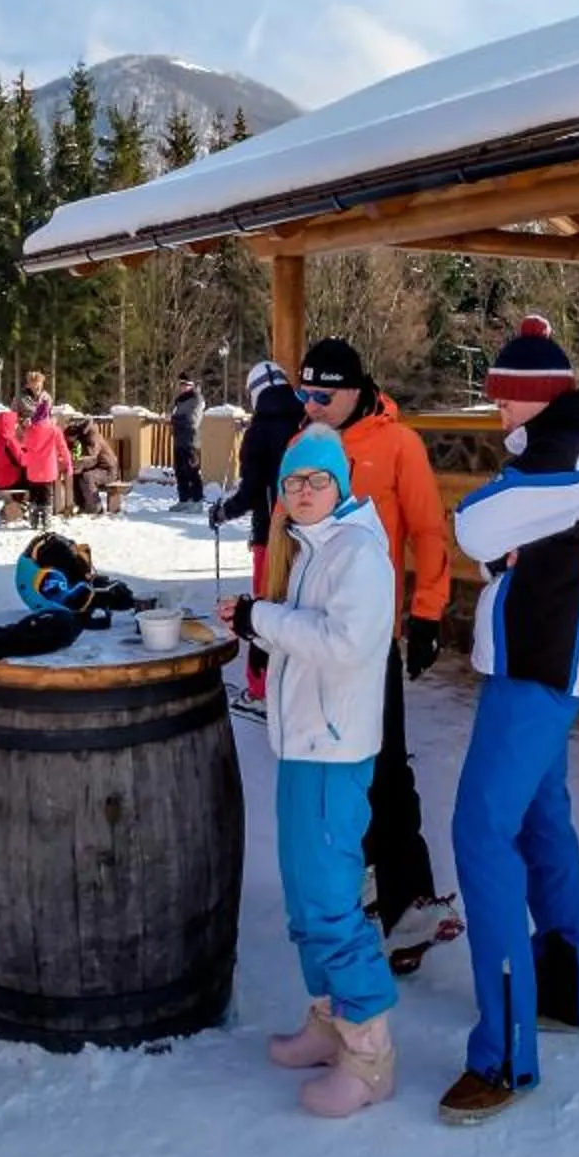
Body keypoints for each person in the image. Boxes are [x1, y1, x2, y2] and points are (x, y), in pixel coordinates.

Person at [440, 316, 579, 1126]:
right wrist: (504, 538)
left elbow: (476, 526)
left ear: (532, 400)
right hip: (534, 662)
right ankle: (562, 991)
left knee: (480, 833)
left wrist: (495, 525)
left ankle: (508, 1055)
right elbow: (502, 544)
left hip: (540, 675)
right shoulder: (566, 445)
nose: (495, 417)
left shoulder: (572, 452)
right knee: (539, 823)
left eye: (503, 403)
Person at [219, 425, 400, 1117]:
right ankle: (329, 1020)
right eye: (292, 483)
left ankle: (370, 1052)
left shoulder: (357, 554)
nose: (302, 492)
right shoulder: (312, 548)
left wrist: (262, 620)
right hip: (303, 748)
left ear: (340, 485)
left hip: (335, 750)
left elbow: (348, 644)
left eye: (315, 480)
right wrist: (262, 619)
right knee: (304, 899)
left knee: (329, 903)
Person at [296, 336, 461, 971]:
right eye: (302, 393)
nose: (310, 405)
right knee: (329, 769)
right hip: (310, 636)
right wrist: (266, 621)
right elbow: (283, 534)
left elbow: (426, 529)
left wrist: (426, 614)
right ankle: (358, 883)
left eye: (322, 394)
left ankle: (408, 905)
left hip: (369, 639)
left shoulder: (398, 444)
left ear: (356, 389)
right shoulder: (303, 441)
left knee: (385, 767)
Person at [209, 360, 305, 717]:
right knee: (300, 609)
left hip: (272, 535)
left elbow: (251, 493)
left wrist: (223, 511)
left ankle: (260, 690)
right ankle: (296, 688)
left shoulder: (259, 430)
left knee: (264, 610)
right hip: (313, 536)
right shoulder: (308, 421)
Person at [18, 401, 71, 530]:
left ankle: (34, 519)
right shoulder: (54, 430)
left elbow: (23, 445)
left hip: (33, 471)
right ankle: (46, 521)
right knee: (47, 496)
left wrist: (24, 428)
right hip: (48, 470)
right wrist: (67, 464)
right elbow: (63, 448)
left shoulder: (30, 430)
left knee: (34, 496)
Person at [67, 417, 118, 517]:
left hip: (108, 470)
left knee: (87, 477)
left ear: (76, 435)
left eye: (70, 439)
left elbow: (93, 458)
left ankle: (96, 508)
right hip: (95, 467)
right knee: (75, 476)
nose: (70, 442)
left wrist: (78, 464)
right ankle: (82, 505)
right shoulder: (80, 439)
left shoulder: (92, 437)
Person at [169, 376, 206, 510]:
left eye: (186, 385)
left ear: (192, 385)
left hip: (191, 441)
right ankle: (184, 499)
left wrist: (175, 419)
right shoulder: (179, 401)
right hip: (179, 440)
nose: (183, 387)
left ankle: (197, 501)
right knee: (180, 471)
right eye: (182, 385)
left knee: (192, 471)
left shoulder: (197, 399)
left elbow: (193, 421)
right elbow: (174, 416)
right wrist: (173, 419)